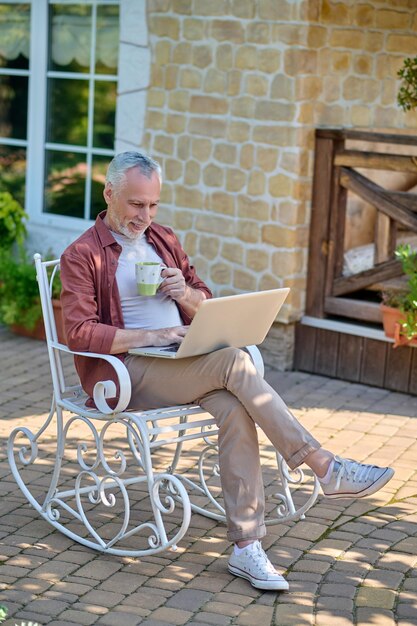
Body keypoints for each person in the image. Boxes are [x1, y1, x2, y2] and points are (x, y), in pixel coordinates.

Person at [60, 151, 394, 592]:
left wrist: (184, 295)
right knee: (235, 361)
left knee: (237, 409)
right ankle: (325, 468)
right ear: (109, 194)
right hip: (126, 371)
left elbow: (204, 300)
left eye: (153, 205)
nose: (145, 215)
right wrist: (158, 334)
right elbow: (80, 333)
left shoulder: (163, 239)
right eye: (136, 204)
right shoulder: (83, 253)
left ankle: (246, 547)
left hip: (180, 362)